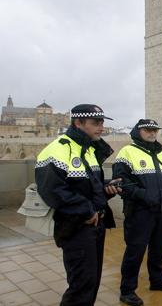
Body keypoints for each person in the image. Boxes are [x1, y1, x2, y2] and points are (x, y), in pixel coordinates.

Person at [35, 104, 121, 306]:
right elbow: (52, 190)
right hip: (75, 226)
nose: (101, 127)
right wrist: (86, 210)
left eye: (102, 122)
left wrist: (106, 188)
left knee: (92, 281)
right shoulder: (57, 150)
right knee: (81, 285)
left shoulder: (89, 149)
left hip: (95, 224)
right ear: (78, 123)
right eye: (95, 122)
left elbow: (88, 186)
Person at [113, 119, 162, 306]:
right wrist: (147, 196)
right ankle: (127, 290)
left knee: (159, 248)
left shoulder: (161, 151)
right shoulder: (127, 152)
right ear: (138, 131)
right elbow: (122, 183)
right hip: (139, 211)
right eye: (148, 130)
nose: (152, 133)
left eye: (155, 131)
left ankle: (157, 281)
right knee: (135, 251)